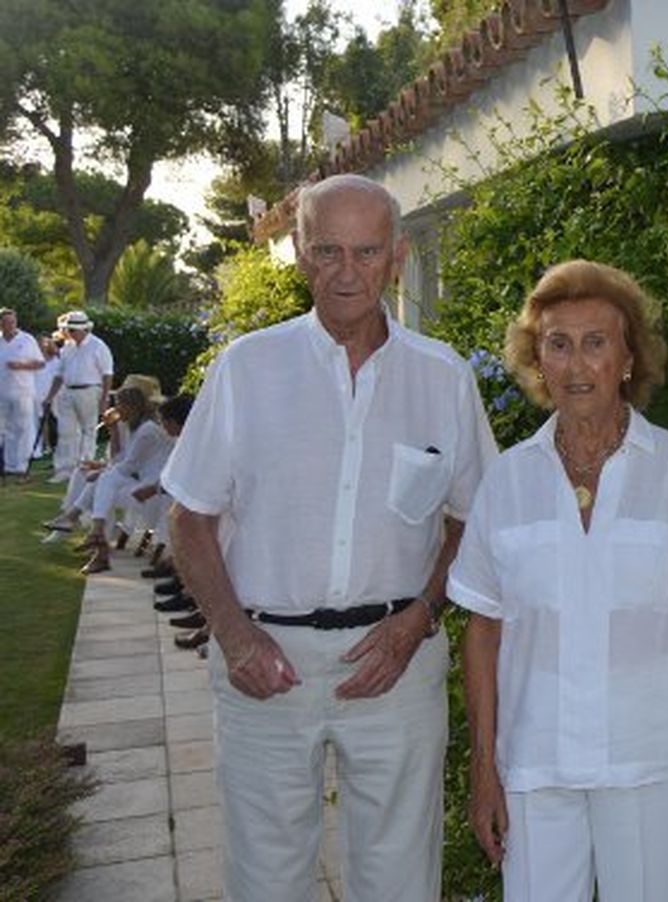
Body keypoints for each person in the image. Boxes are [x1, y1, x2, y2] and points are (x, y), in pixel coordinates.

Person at [162, 173, 496, 902]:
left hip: (397, 661)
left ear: (398, 256)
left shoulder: (442, 380)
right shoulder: (247, 369)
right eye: (328, 251)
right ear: (300, 255)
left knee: (401, 879)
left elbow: (474, 520)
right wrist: (233, 635)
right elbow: (189, 517)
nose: (347, 272)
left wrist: (420, 621)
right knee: (267, 879)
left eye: (367, 251)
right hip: (264, 664)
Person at [450, 260, 668, 902]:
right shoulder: (506, 481)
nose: (576, 364)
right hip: (536, 764)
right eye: (558, 345)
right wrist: (485, 770)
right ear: (538, 361)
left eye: (596, 343)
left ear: (628, 358)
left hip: (652, 760)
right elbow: (483, 631)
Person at [78, 383, 168, 574]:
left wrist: (103, 472)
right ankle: (97, 536)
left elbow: (128, 467)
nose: (116, 409)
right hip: (143, 487)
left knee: (104, 482)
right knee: (104, 482)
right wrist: (113, 432)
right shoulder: (134, 427)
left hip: (154, 494)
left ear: (132, 406)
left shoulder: (147, 430)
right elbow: (120, 461)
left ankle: (96, 538)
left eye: (119, 404)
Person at [43, 310, 114, 482]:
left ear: (83, 330)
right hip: (67, 391)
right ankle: (64, 470)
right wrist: (50, 396)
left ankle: (84, 467)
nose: (69, 333)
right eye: (69, 330)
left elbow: (107, 374)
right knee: (65, 431)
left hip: (89, 391)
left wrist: (104, 398)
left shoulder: (98, 346)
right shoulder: (67, 347)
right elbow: (59, 374)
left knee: (88, 430)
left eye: (72, 330)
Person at [1, 307, 45, 483]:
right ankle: (10, 465)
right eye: (6, 322)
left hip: (23, 391)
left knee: (24, 427)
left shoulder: (27, 340)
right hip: (2, 393)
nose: (10, 325)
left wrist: (22, 366)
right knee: (6, 430)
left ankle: (23, 465)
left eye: (12, 322)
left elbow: (40, 363)